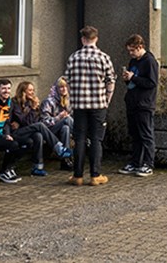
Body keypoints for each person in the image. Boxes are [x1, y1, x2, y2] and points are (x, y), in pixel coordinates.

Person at [65, 25, 116, 186]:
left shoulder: (74, 57)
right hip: (98, 104)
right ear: (96, 39)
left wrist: (69, 101)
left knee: (79, 139)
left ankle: (77, 175)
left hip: (79, 104)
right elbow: (111, 81)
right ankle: (95, 175)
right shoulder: (104, 57)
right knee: (96, 139)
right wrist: (107, 99)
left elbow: (66, 81)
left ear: (83, 39)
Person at [9, 81, 70, 176]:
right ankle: (59, 148)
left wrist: (34, 109)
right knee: (40, 126)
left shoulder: (31, 102)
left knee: (39, 135)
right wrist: (33, 109)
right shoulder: (15, 102)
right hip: (17, 132)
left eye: (33, 90)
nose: (33, 92)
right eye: (30, 90)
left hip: (30, 131)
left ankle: (37, 167)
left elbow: (34, 121)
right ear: (23, 91)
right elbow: (24, 122)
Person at [119, 34, 159, 177]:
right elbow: (133, 82)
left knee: (146, 135)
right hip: (132, 102)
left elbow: (152, 83)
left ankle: (148, 164)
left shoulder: (150, 62)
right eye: (129, 51)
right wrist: (127, 79)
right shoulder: (133, 62)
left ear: (140, 47)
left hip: (144, 104)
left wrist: (133, 78)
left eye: (132, 50)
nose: (130, 53)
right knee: (135, 135)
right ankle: (135, 162)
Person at [41, 76, 75, 167]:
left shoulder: (68, 101)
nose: (64, 89)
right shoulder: (48, 102)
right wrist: (58, 117)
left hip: (61, 130)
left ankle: (65, 161)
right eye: (61, 87)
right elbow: (44, 122)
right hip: (49, 131)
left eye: (66, 86)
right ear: (56, 88)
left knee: (66, 128)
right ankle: (82, 136)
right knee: (66, 120)